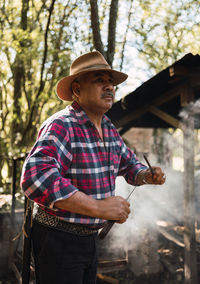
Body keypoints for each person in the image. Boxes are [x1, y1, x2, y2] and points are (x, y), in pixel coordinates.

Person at [20, 51, 166, 284]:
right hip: (58, 240)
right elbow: (35, 177)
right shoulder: (62, 125)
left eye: (111, 82)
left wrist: (146, 175)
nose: (109, 87)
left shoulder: (108, 127)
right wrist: (98, 207)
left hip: (88, 239)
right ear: (77, 90)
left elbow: (129, 164)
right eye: (99, 80)